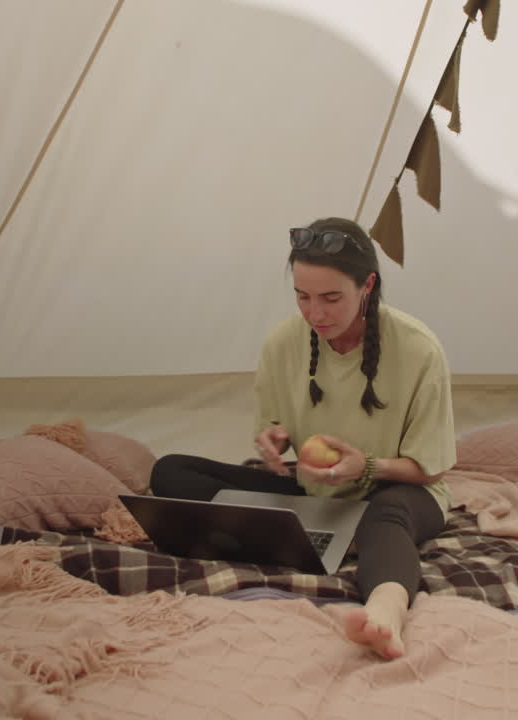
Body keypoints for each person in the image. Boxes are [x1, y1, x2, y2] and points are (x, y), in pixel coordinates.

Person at [150, 216, 456, 660]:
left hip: (400, 491)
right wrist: (272, 439)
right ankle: (313, 534)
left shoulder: (418, 349)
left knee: (384, 516)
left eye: (331, 298)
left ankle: (384, 612)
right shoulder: (283, 343)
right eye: (303, 297)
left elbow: (433, 467)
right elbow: (275, 425)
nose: (315, 314)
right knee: (171, 472)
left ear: (367, 285)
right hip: (320, 494)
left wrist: (368, 467)